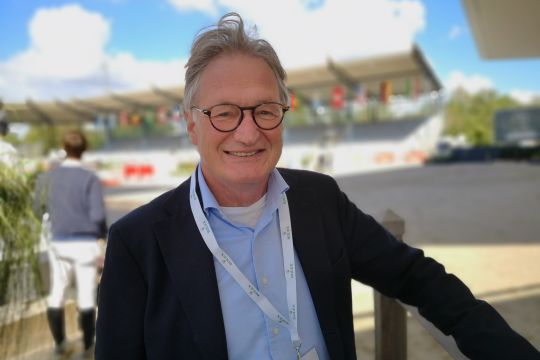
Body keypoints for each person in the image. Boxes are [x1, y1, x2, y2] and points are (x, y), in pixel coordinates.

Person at [95, 13, 539, 360]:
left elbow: (416, 278)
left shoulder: (319, 201)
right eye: (225, 112)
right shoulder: (138, 242)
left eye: (265, 110)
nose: (249, 133)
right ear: (192, 125)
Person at [34, 130, 107, 360]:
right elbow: (97, 216)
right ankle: (87, 347)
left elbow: (38, 209)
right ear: (84, 150)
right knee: (86, 296)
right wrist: (102, 237)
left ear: (64, 149)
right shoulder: (90, 178)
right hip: (84, 243)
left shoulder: (47, 178)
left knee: (57, 292)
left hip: (59, 242)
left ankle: (60, 344)